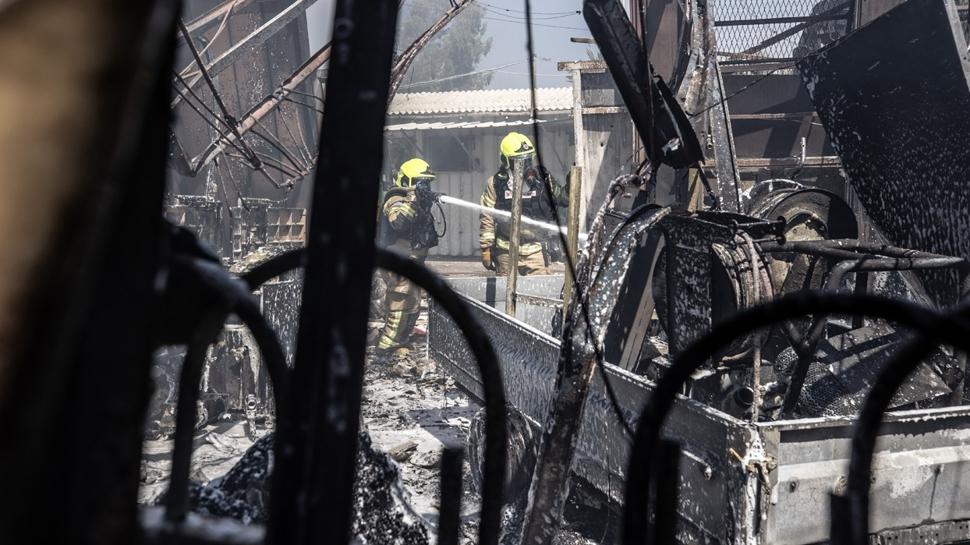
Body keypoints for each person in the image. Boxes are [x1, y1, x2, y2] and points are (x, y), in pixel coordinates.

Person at [374, 157, 439, 365]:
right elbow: (399, 223)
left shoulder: (418, 201)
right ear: (407, 181)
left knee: (412, 306)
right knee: (399, 305)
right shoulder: (395, 200)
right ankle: (385, 348)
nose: (425, 187)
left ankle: (401, 341)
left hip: (413, 262)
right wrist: (413, 199)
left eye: (427, 183)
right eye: (421, 182)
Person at [479, 131, 568, 276]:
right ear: (506, 161)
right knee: (504, 289)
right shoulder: (495, 183)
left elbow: (562, 198)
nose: (525, 165)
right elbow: (487, 216)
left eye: (528, 160)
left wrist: (570, 188)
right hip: (506, 250)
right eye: (518, 161)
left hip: (536, 250)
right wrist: (486, 249)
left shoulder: (542, 179)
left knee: (539, 289)